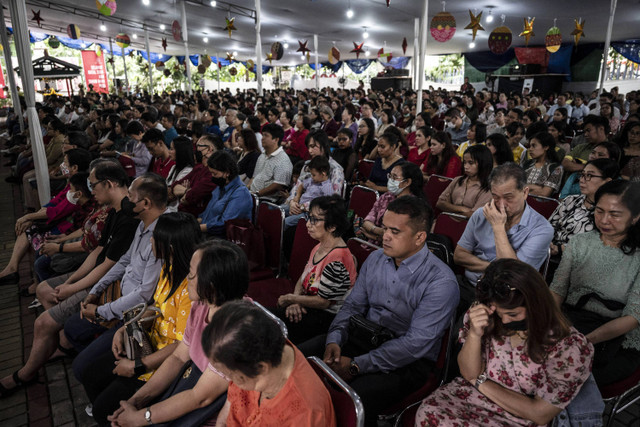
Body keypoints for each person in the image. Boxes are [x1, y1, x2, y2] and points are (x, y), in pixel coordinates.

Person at [300, 196, 459, 426]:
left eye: (395, 232)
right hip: (364, 336)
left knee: (349, 400)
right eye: (385, 228)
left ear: (419, 237)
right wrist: (335, 339)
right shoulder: (376, 258)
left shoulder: (441, 282)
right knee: (302, 362)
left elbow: (414, 344)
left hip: (406, 362)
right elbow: (353, 306)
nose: (384, 236)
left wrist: (356, 366)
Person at [0, 162, 140, 396]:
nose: (90, 190)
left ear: (110, 184)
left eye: (93, 185)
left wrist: (73, 286)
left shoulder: (128, 216)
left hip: (108, 283)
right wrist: (70, 282)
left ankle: (26, 374)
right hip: (97, 273)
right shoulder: (113, 210)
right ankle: (63, 341)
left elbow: (109, 266)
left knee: (42, 323)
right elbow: (98, 251)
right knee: (44, 289)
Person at [415, 258, 594, 427]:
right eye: (499, 314)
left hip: (519, 417)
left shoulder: (569, 347)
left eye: (513, 314)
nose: (506, 321)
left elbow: (539, 413)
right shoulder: (486, 315)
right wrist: (475, 335)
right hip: (469, 397)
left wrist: (479, 382)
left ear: (536, 304)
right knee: (429, 412)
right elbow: (468, 372)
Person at [73, 213, 202, 425]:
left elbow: (182, 346)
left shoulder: (191, 290)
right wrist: (125, 328)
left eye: (155, 237)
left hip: (160, 361)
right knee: (91, 375)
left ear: (169, 248)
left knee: (104, 407)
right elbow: (157, 306)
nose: (150, 240)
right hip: (145, 342)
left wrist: (137, 365)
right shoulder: (169, 268)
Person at [108, 240, 249, 426]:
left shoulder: (235, 334)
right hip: (188, 387)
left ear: (211, 287)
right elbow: (178, 358)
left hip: (207, 414)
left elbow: (200, 398)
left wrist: (142, 418)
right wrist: (137, 401)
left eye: (191, 274)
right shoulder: (201, 305)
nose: (186, 280)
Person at [63, 173, 168, 353]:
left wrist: (100, 311)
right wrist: (96, 289)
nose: (126, 200)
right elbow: (124, 260)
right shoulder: (142, 223)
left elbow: (144, 294)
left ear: (145, 204)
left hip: (137, 310)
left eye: (130, 197)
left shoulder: (162, 237)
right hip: (120, 295)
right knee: (72, 326)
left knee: (77, 337)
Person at [551, 180, 640, 386]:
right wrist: (557, 325)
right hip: (571, 322)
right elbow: (557, 290)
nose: (604, 220)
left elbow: (633, 318)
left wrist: (584, 341)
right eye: (599, 211)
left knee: (566, 377)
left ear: (635, 217)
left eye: (615, 214)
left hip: (615, 341)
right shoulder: (581, 242)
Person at [204, 300, 337, 427]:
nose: (230, 380)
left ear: (261, 368)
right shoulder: (248, 357)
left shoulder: (305, 413)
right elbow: (227, 414)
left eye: (231, 375)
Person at [454, 163, 554, 311]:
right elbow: (459, 255)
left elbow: (512, 277)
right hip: (469, 285)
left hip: (506, 298)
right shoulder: (480, 214)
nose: (501, 205)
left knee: (465, 328)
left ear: (525, 192)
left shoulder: (542, 229)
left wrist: (498, 227)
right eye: (495, 197)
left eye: (508, 198)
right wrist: (492, 268)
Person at [0, 148, 93, 287]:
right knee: (29, 227)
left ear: (75, 167)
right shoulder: (73, 183)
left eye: (65, 163)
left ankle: (34, 282)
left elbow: (58, 211)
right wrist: (33, 217)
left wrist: (30, 216)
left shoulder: (80, 189)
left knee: (36, 241)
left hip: (66, 226)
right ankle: (15, 270)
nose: (63, 165)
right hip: (64, 224)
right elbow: (54, 202)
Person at [273, 195, 357, 344]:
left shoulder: (338, 259)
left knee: (270, 325)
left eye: (314, 220)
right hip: (308, 305)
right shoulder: (320, 246)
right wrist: (295, 301)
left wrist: (291, 299)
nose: (307, 224)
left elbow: (324, 302)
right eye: (308, 217)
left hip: (325, 318)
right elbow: (303, 278)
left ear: (332, 226)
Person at [549, 158, 619, 258]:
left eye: (589, 176)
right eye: (582, 175)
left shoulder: (608, 213)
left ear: (607, 181)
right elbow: (549, 226)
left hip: (578, 262)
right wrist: (547, 242)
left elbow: (596, 246)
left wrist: (560, 249)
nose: (582, 180)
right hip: (549, 252)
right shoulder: (571, 200)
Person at [357, 162, 424, 245]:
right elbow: (367, 220)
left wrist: (374, 235)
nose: (390, 180)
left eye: (394, 177)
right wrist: (378, 231)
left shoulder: (414, 206)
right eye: (390, 176)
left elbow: (397, 236)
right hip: (372, 244)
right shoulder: (386, 196)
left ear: (407, 182)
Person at [199, 151, 253, 237]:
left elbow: (224, 224)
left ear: (227, 172)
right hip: (209, 233)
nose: (212, 176)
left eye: (215, 173)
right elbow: (208, 215)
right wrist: (193, 223)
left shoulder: (240, 193)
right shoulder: (220, 186)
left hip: (223, 239)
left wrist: (197, 229)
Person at [436, 145, 493, 218]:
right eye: (464, 162)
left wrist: (449, 207)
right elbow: (440, 203)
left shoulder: (487, 188)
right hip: (447, 221)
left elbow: (474, 215)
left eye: (471, 163)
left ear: (483, 163)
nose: (466, 166)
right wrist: (462, 209)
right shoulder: (457, 180)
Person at [284, 156, 335, 229]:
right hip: (299, 206)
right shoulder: (312, 180)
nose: (312, 177)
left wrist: (301, 207)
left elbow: (324, 205)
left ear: (323, 173)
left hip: (308, 214)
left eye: (314, 175)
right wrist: (297, 197)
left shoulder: (327, 187)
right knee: (278, 210)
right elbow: (301, 186)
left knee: (285, 222)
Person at [249, 123, 293, 202]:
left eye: (266, 135)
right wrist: (246, 189)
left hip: (266, 200)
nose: (262, 138)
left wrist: (257, 194)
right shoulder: (262, 155)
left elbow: (278, 186)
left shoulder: (283, 160)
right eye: (262, 135)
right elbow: (254, 177)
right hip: (253, 195)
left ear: (276, 139)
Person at [521, 132, 564, 197]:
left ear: (546, 147)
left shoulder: (556, 168)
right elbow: (515, 186)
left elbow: (544, 193)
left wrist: (525, 187)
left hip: (539, 205)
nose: (530, 149)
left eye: (534, 146)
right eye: (530, 146)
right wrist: (537, 188)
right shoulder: (526, 164)